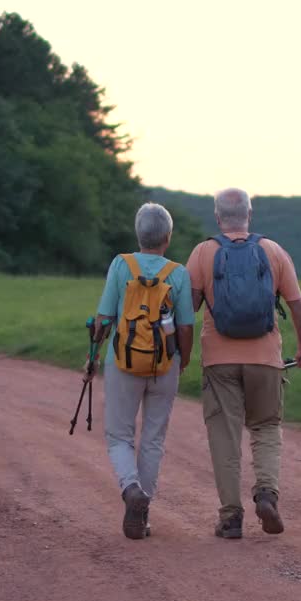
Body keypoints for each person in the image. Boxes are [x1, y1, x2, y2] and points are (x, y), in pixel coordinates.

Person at [186, 188, 301, 539]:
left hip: (219, 361)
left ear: (217, 216)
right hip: (266, 359)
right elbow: (298, 305)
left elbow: (188, 307)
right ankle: (267, 493)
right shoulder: (273, 251)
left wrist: (179, 353)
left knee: (225, 438)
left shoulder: (202, 252)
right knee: (267, 427)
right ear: (249, 214)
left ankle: (230, 518)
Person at [91, 203, 195, 539]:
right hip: (165, 363)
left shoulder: (121, 265)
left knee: (119, 436)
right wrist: (183, 359)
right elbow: (186, 326)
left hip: (122, 362)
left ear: (139, 235)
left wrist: (93, 358)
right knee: (153, 439)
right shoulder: (178, 273)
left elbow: (105, 318)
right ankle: (143, 513)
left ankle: (130, 488)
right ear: (168, 237)